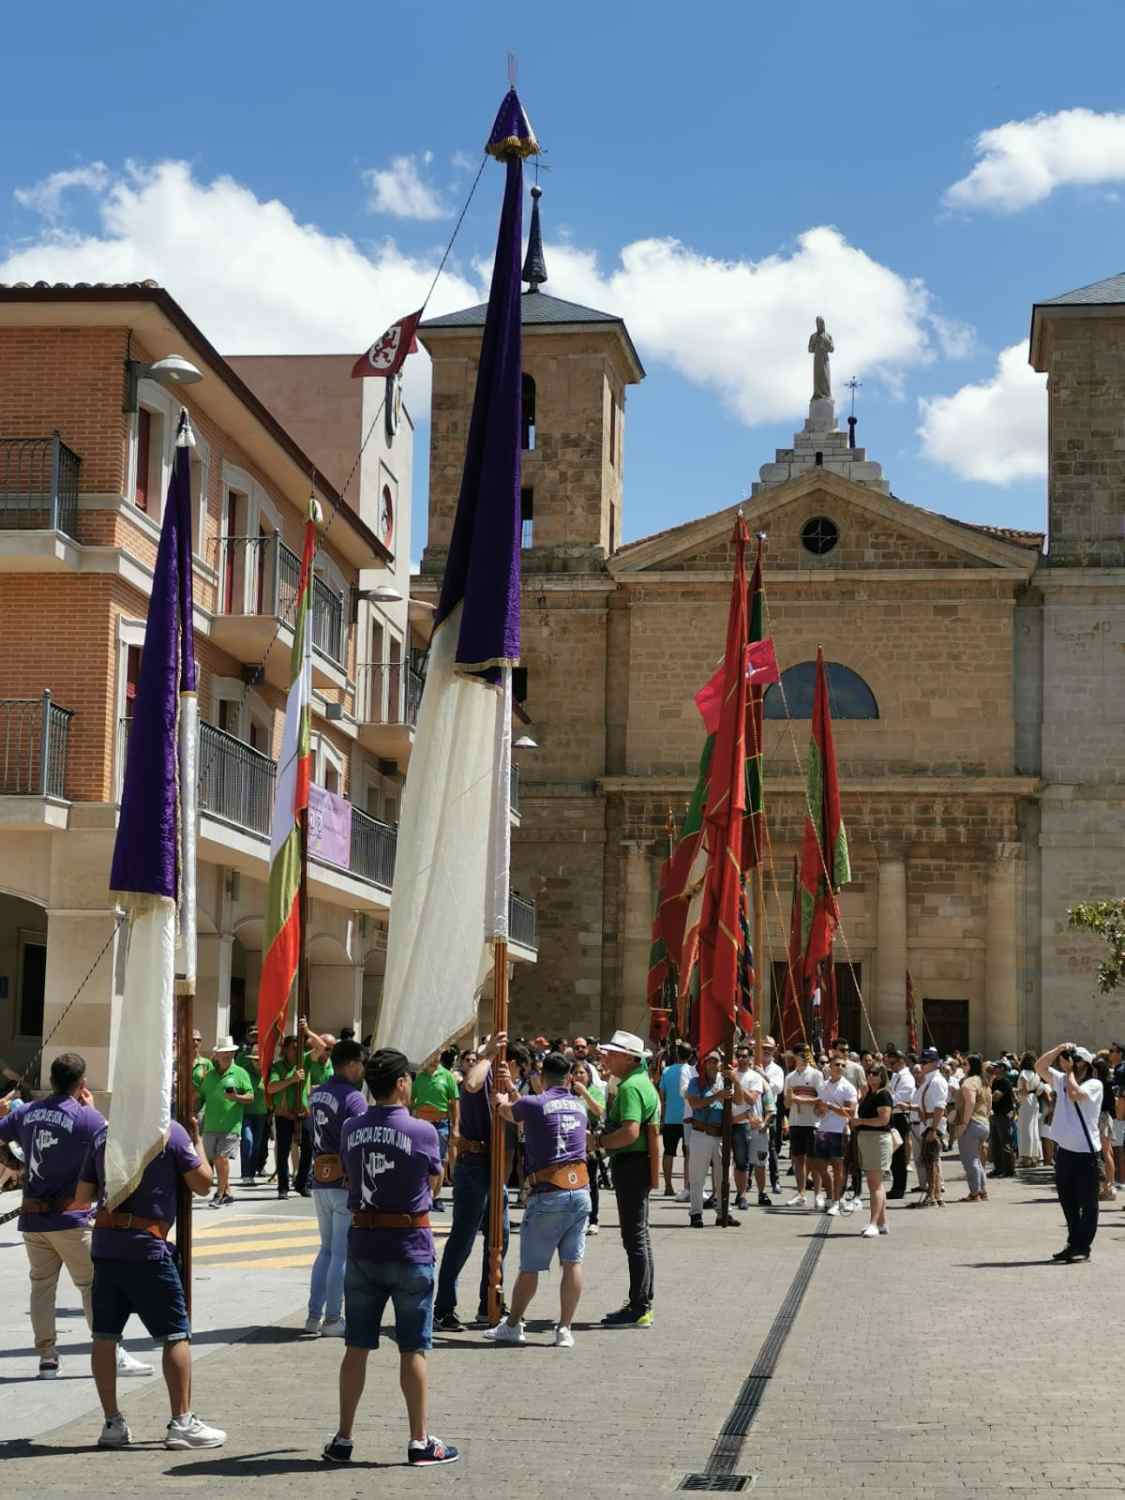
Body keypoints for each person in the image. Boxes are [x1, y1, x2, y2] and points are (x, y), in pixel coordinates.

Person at [322, 1048, 459, 1466]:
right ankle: (420, 1441)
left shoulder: (351, 1127)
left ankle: (343, 1438)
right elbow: (434, 1180)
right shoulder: (422, 1131)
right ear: (402, 1083)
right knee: (413, 1348)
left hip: (363, 1242)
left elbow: (349, 1170)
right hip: (408, 1245)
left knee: (356, 1347)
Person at [73, 1112, 224, 1449]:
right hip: (146, 1247)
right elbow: (202, 1184)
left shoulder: (104, 1134)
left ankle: (112, 1422)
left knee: (104, 1336)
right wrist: (197, 1139)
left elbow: (83, 1196)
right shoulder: (169, 1131)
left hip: (107, 1245)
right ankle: (182, 1421)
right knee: (175, 1333)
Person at [0, 1052, 149, 1380]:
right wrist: (93, 1109)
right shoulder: (85, 1118)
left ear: (51, 1080)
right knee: (93, 1285)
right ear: (81, 1083)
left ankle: (48, 1357)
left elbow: (1, 1132)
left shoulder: (26, 1112)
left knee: (41, 1286)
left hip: (33, 1219)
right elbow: (115, 1146)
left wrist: (12, 1163)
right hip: (71, 1218)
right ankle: (113, 1353)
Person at [486, 1051, 591, 1347]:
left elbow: (509, 1110)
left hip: (548, 1194)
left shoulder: (534, 1102)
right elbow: (531, 1109)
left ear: (541, 1076)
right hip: (581, 1191)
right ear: (569, 1076)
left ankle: (514, 1324)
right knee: (573, 1262)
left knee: (530, 1268)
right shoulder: (579, 1104)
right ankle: (565, 1329)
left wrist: (500, 1097)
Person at [434, 1033, 510, 1332]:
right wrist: (487, 1054)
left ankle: (489, 1302)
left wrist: (510, 1090)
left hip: (496, 1164)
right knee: (463, 1239)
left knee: (499, 1236)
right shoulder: (478, 1072)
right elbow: (472, 1084)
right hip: (474, 1163)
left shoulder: (502, 1079)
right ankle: (443, 1309)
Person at [305, 1039, 368, 1337]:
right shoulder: (354, 1098)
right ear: (353, 1063)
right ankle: (333, 1319)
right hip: (344, 1179)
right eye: (362, 1064)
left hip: (320, 1175)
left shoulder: (318, 1094)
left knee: (326, 1250)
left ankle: (313, 1316)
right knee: (341, 1253)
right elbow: (359, 1140)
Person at [598, 1029, 660, 1327]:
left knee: (634, 1237)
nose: (607, 1057)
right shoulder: (641, 1083)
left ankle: (639, 1306)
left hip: (630, 1164)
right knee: (640, 1236)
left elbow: (630, 1132)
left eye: (612, 1053)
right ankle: (642, 1300)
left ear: (628, 1057)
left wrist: (599, 1143)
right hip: (639, 1163)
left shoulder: (630, 1088)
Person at [1036, 1043, 1103, 1262]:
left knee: (1088, 1203)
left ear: (1084, 1063)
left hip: (1086, 1152)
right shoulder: (1064, 1079)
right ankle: (1073, 1243)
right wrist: (1057, 1050)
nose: (1068, 1061)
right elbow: (1040, 1067)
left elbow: (1075, 1095)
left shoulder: (1095, 1084)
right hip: (1065, 1151)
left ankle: (1084, 1247)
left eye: (1073, 1059)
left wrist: (1069, 1072)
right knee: (1068, 1201)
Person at [198, 1037, 253, 1208]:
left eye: (230, 1053)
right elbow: (201, 1097)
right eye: (224, 1053)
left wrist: (236, 1097)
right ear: (216, 1055)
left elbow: (251, 1097)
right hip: (210, 1125)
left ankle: (219, 1194)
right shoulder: (210, 1076)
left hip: (231, 1126)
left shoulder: (240, 1073)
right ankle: (227, 1191)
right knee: (213, 1160)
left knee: (222, 1159)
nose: (227, 1056)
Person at [685, 1051, 735, 1228]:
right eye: (710, 1062)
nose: (713, 1065)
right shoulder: (695, 1082)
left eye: (716, 1062)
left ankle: (724, 1213)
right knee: (697, 1176)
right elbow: (695, 1103)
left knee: (724, 1176)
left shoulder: (726, 1081)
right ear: (704, 1064)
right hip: (701, 1133)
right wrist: (716, 1096)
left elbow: (741, 1100)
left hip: (721, 1135)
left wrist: (735, 1081)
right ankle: (696, 1213)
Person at [411, 1050, 460, 1211]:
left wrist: (456, 1127)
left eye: (437, 1054)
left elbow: (454, 1104)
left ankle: (435, 1196)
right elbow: (411, 1101)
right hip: (421, 1124)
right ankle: (424, 1194)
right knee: (421, 1159)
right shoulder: (418, 1077)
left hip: (441, 1124)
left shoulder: (447, 1076)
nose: (434, 1057)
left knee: (440, 1161)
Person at [268, 1034, 312, 1199]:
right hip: (284, 1114)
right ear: (285, 1049)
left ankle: (302, 1183)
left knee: (308, 1148)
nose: (297, 1051)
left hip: (303, 1112)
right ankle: (283, 1187)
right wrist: (291, 1079)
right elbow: (272, 1088)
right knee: (283, 1151)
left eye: (299, 1048)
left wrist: (307, 1030)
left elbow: (320, 1046)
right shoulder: (278, 1067)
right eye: (294, 1048)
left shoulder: (305, 1061)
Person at [851, 1063, 892, 1237]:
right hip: (866, 1139)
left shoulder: (883, 1095)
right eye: (868, 1073)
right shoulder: (869, 1093)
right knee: (874, 1183)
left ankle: (874, 1223)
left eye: (874, 1073)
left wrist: (860, 1122)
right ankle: (882, 1223)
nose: (870, 1076)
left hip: (877, 1139)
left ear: (882, 1076)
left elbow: (883, 1120)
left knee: (875, 1184)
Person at [814, 1056, 858, 1214]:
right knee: (820, 1166)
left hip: (839, 1130)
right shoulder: (823, 1086)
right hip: (822, 1129)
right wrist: (820, 1110)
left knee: (838, 1167)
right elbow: (817, 1108)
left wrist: (831, 1107)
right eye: (836, 1064)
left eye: (843, 1065)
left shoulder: (848, 1087)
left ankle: (837, 1200)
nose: (840, 1067)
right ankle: (831, 1196)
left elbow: (851, 1112)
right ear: (829, 1067)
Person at [784, 1043, 824, 1209]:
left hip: (812, 1122)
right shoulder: (790, 1077)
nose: (802, 1057)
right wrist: (790, 1098)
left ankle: (818, 1195)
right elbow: (786, 1104)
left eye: (805, 1054)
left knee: (814, 1161)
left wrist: (801, 1100)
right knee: (798, 1160)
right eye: (799, 1054)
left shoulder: (816, 1075)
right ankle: (801, 1194)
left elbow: (822, 1099)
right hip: (796, 1122)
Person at [731, 1045, 772, 1209]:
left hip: (755, 1124)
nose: (741, 1059)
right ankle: (741, 1195)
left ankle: (761, 1192)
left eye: (745, 1056)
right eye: (739, 1056)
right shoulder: (729, 1075)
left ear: (750, 1059)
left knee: (760, 1162)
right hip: (736, 1123)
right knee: (740, 1162)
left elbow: (752, 1099)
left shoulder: (755, 1077)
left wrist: (736, 1082)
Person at [571, 1060, 605, 1232]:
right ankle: (577, 1219)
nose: (578, 1076)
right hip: (571, 1144)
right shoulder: (567, 1093)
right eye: (575, 1073)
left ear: (589, 1075)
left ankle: (593, 1219)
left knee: (591, 1182)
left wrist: (584, 1093)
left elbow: (599, 1111)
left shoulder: (594, 1091)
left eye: (581, 1073)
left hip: (588, 1143)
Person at [913, 1048, 949, 1207]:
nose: (922, 1065)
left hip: (932, 1125)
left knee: (931, 1161)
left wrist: (933, 1129)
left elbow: (940, 1107)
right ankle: (935, 1195)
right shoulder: (929, 1079)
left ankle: (933, 1196)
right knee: (930, 1161)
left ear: (935, 1063)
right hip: (927, 1123)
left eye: (925, 1062)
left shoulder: (936, 1081)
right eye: (921, 1062)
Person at [955, 1055, 992, 1202]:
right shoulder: (984, 1082)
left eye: (964, 1063)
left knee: (969, 1160)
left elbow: (970, 1102)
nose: (962, 1066)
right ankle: (982, 1191)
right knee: (976, 1160)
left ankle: (975, 1192)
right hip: (983, 1123)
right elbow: (989, 1106)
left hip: (972, 1123)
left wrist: (964, 1123)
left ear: (970, 1066)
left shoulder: (969, 1082)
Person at [658, 1041, 692, 1196]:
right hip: (688, 1118)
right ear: (691, 1055)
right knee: (688, 1154)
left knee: (668, 1152)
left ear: (677, 1054)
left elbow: (662, 1097)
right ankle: (687, 1186)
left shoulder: (666, 1071)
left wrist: (662, 1118)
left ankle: (668, 1185)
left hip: (670, 1117)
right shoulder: (693, 1071)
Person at [236, 1028, 268, 1186]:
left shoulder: (267, 1073)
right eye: (254, 1059)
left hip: (262, 1113)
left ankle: (252, 1171)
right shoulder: (244, 1070)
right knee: (247, 1141)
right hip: (246, 1112)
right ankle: (246, 1174)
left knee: (257, 1145)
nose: (257, 1061)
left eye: (259, 1059)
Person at [886, 1047, 915, 1199]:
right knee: (894, 1154)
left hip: (900, 1116)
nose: (890, 1066)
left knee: (899, 1155)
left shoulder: (907, 1078)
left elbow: (900, 1097)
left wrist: (886, 1098)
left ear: (901, 1061)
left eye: (893, 1063)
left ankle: (899, 1188)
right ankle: (896, 1186)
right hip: (893, 1116)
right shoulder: (896, 1075)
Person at [759, 1037, 785, 1195]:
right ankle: (747, 1181)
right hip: (754, 1109)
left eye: (769, 1048)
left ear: (774, 1050)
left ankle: (775, 1181)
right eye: (764, 1047)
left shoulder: (777, 1070)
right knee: (751, 1145)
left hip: (770, 1111)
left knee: (772, 1146)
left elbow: (777, 1088)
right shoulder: (753, 1066)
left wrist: (763, 1076)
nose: (767, 1050)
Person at [988, 1062, 1016, 1179]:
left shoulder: (1005, 1082)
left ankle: (1009, 1170)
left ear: (1003, 1069)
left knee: (1005, 1143)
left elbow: (996, 1096)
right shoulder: (993, 1081)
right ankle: (998, 1168)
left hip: (1003, 1115)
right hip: (995, 1115)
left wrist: (986, 1096)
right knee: (995, 1143)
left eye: (996, 1067)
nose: (993, 1069)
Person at [1015, 1052, 1043, 1167]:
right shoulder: (1035, 1074)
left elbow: (1024, 1089)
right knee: (1034, 1128)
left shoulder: (1024, 1073)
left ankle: (1026, 1158)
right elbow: (1039, 1089)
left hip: (1026, 1100)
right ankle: (1035, 1157)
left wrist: (1017, 1095)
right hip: (1034, 1099)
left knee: (1025, 1129)